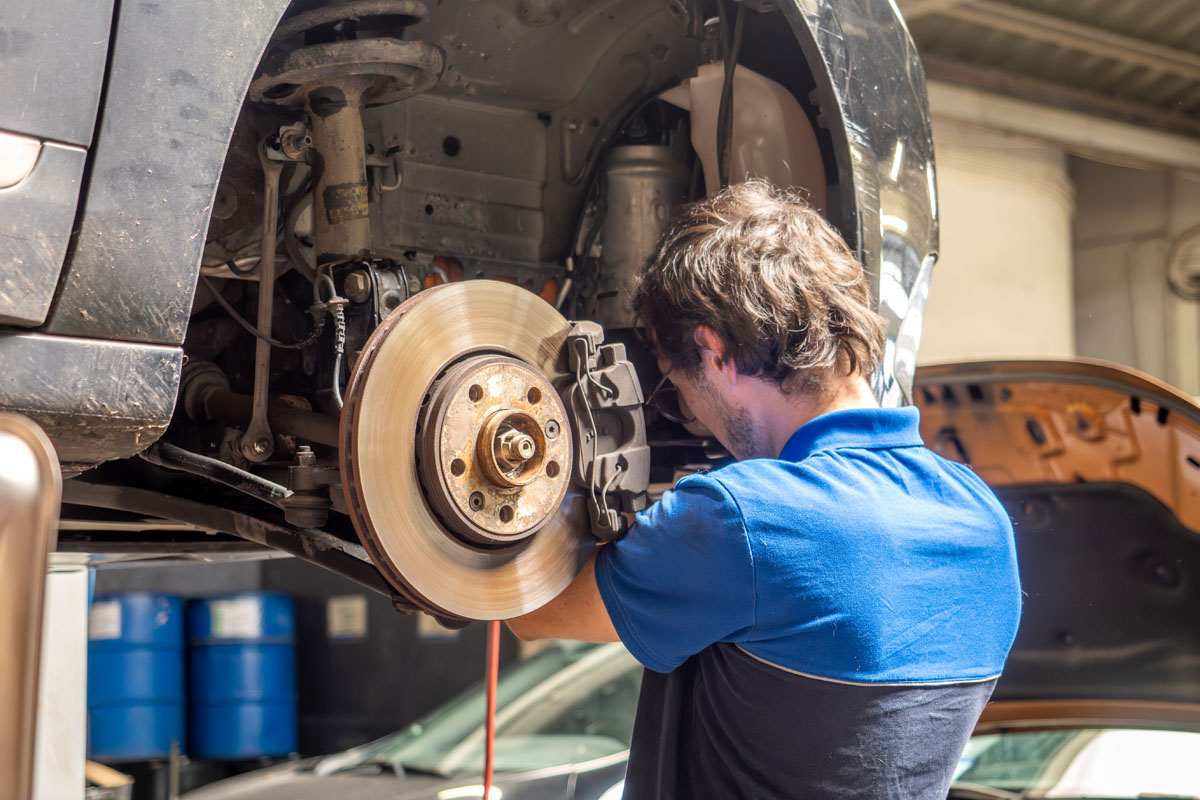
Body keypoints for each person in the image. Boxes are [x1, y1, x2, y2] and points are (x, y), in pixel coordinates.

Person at [507, 180, 1021, 799]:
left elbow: (531, 610)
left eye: (676, 387)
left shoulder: (741, 520)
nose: (689, 413)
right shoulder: (983, 520)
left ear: (713, 349)